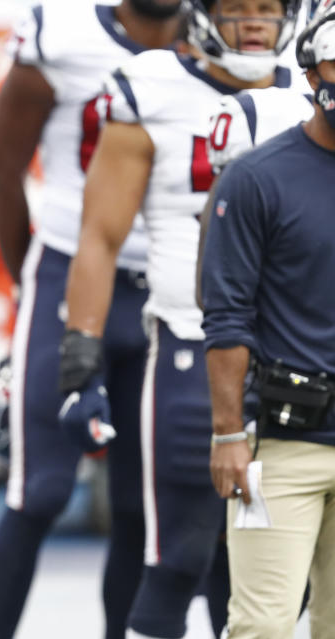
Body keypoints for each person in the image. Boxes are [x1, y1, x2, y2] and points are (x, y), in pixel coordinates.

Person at [61, 1, 299, 637]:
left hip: (297, 360)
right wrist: (81, 346)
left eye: (268, 8)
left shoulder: (310, 91)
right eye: (237, 8)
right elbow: (100, 234)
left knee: (272, 573)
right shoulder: (154, 88)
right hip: (190, 344)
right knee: (179, 557)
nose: (254, 23)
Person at [0, 2, 181, 638]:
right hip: (70, 271)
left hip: (168, 287)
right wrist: (32, 275)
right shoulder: (61, 35)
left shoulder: (216, 38)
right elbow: (3, 170)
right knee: (38, 491)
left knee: (139, 504)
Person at [200, 7, 335, 638]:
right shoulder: (257, 177)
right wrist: (229, 434)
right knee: (262, 626)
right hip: (282, 443)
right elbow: (228, 317)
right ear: (311, 72)